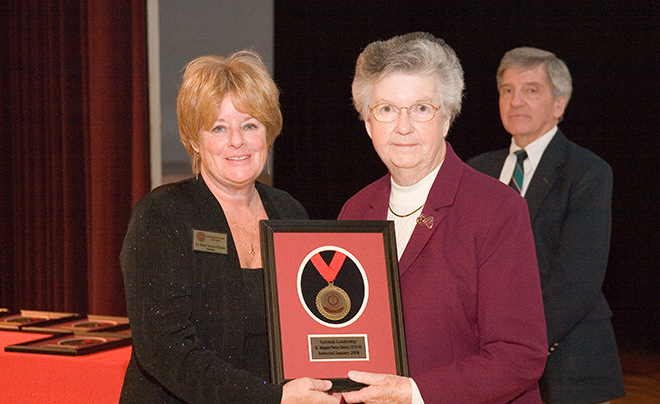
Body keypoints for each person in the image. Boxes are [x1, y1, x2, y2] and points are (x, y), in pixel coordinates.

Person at [338, 32, 548, 404]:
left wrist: (415, 393)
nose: (403, 127)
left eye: (421, 109)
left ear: (447, 118)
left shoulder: (497, 208)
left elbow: (520, 355)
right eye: (386, 109)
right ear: (368, 123)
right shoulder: (355, 210)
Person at [120, 50, 340, 404]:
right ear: (195, 139)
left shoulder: (288, 212)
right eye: (219, 128)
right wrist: (270, 399)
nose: (237, 141)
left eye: (250, 125)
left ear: (268, 132)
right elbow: (165, 349)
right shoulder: (162, 215)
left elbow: (312, 325)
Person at [467, 47, 625, 403]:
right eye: (507, 90)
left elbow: (578, 280)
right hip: (487, 360)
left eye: (531, 89)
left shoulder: (588, 171)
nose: (516, 100)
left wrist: (518, 346)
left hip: (567, 361)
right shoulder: (476, 170)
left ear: (559, 104)